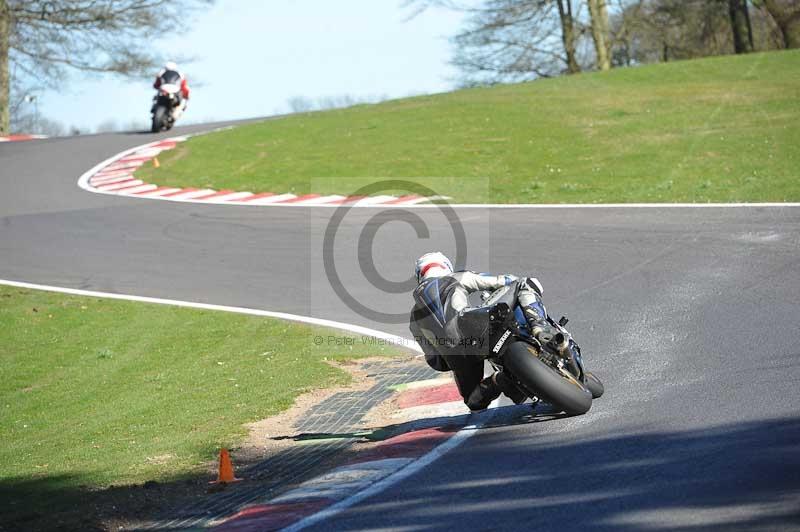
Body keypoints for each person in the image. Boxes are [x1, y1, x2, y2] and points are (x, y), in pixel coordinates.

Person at [409, 251, 554, 411]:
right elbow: (504, 280)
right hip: (474, 325)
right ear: (445, 266)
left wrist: (453, 357)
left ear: (420, 276)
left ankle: (500, 380)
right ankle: (540, 326)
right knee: (524, 283)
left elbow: (436, 362)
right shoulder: (456, 277)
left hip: (457, 355)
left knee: (473, 401)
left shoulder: (414, 319)